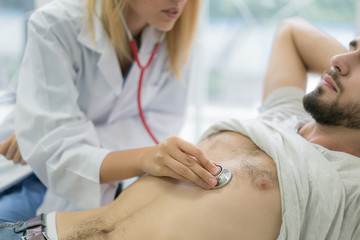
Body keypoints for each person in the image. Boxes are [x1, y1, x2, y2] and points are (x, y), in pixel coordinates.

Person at [2, 17, 360, 239]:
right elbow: (291, 31)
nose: (338, 60)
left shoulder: (351, 187)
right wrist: (44, 129)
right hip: (34, 231)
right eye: (351, 49)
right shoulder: (283, 114)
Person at [0, 0, 221, 223]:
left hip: (107, 176)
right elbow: (58, 154)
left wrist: (42, 134)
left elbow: (162, 122)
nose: (179, 1)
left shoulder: (177, 38)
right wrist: (46, 136)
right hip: (26, 173)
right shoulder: (55, 24)